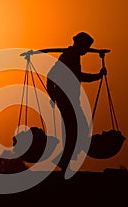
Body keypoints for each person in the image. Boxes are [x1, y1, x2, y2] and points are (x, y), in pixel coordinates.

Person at [22, 32, 107, 173]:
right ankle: (63, 160)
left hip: (69, 99)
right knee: (76, 130)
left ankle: (66, 160)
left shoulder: (71, 55)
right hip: (67, 99)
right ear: (81, 45)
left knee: (74, 130)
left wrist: (53, 95)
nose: (87, 50)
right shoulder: (70, 56)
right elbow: (73, 76)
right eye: (86, 47)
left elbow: (54, 75)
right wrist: (98, 75)